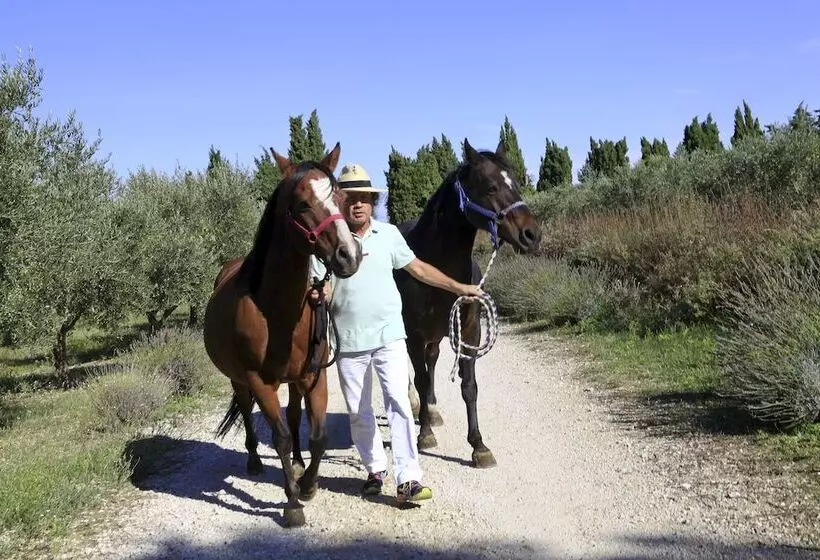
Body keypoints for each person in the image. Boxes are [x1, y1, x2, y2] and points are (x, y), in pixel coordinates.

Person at [309, 162, 483, 504]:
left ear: (372, 203)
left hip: (389, 336)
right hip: (349, 338)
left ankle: (409, 479)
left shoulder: (389, 235)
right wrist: (320, 292)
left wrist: (459, 285)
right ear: (341, 202)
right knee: (359, 413)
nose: (358, 204)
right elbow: (320, 287)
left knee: (400, 405)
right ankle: (375, 469)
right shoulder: (327, 243)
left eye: (365, 198)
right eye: (352, 198)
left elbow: (418, 269)